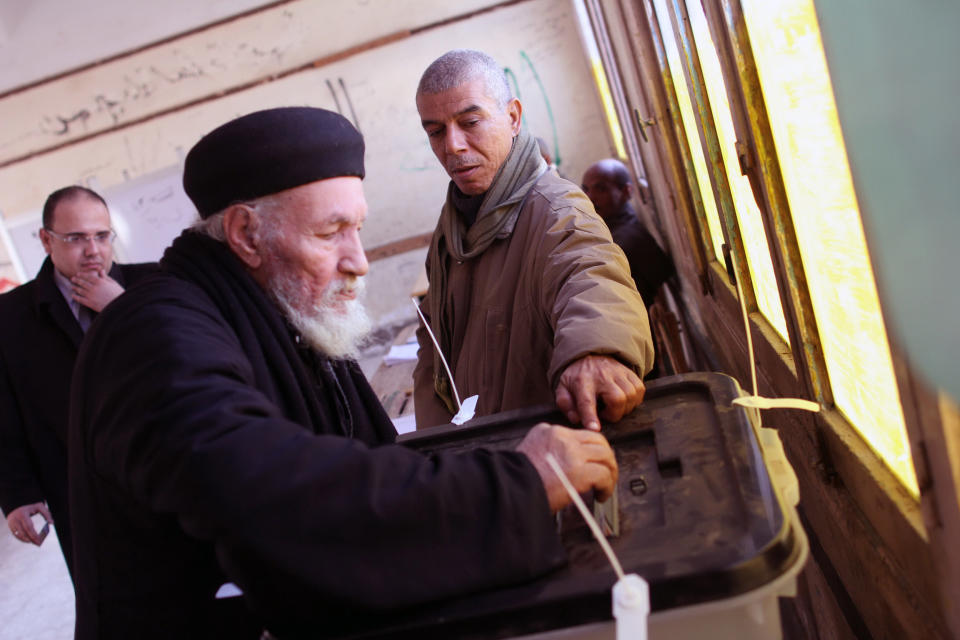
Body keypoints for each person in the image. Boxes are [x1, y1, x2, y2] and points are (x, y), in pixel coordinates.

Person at [67, 107, 619, 639]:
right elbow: (267, 493)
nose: (358, 260)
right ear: (245, 235)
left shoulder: (279, 309)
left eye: (357, 229)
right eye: (332, 233)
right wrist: (513, 487)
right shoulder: (153, 334)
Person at [413, 50, 654, 430]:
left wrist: (596, 351)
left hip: (545, 454)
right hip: (474, 451)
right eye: (436, 131)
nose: (453, 146)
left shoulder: (555, 208)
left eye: (470, 122)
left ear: (512, 117)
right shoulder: (453, 225)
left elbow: (589, 271)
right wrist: (435, 439)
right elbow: (434, 341)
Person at [0, 186, 154, 582]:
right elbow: (4, 414)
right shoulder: (10, 318)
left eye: (101, 236)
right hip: (78, 495)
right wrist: (17, 495)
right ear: (46, 240)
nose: (93, 251)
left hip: (163, 477)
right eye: (76, 239)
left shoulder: (151, 287)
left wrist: (123, 311)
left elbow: (184, 365)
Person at [581, 158, 675, 309]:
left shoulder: (627, 240)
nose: (590, 197)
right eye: (585, 189)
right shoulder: (607, 228)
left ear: (627, 191)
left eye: (600, 189)